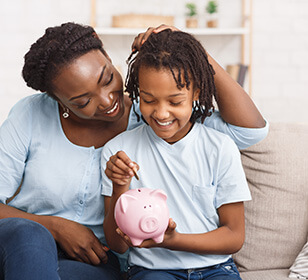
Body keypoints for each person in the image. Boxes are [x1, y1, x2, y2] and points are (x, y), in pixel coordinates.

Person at [0, 22, 267, 280]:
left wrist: (192, 51)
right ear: (56, 98)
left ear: (105, 51)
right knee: (31, 235)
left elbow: (250, 132)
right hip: (23, 245)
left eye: (107, 79)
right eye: (83, 101)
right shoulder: (31, 114)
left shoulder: (152, 113)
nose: (107, 101)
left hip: (94, 261)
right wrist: (56, 227)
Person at [102, 29, 256, 280]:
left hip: (216, 269)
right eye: (149, 100)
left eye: (175, 102)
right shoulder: (119, 151)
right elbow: (118, 245)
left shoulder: (219, 147)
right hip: (153, 270)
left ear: (196, 94)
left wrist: (173, 240)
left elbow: (234, 237)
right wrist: (120, 186)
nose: (161, 114)